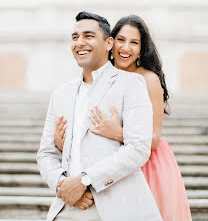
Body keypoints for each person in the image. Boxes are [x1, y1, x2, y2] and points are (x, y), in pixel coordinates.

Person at [55, 15, 192, 221]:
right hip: (107, 162)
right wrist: (62, 142)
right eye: (121, 40)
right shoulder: (99, 78)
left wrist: (116, 132)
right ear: (110, 42)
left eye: (134, 42)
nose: (125, 48)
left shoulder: (148, 79)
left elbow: (153, 138)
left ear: (141, 49)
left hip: (147, 164)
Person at [37, 12, 162, 221]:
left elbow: (139, 148)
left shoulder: (132, 84)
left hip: (118, 208)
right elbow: (46, 154)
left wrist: (84, 181)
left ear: (108, 43)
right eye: (75, 37)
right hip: (67, 208)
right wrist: (64, 186)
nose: (80, 42)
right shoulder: (60, 94)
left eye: (88, 36)